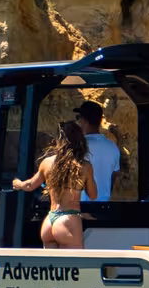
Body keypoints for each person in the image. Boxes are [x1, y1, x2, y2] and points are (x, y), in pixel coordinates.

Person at [13, 120, 97, 249]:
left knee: (50, 262)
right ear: (80, 140)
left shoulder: (47, 162)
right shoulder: (84, 166)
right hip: (68, 219)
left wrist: (17, 183)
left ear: (58, 140)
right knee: (75, 261)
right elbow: (93, 195)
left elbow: (29, 185)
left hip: (49, 220)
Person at [75, 102, 126, 202]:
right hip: (103, 206)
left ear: (84, 121)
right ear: (100, 121)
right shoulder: (112, 147)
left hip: (80, 207)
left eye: (79, 118)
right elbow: (113, 178)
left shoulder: (78, 146)